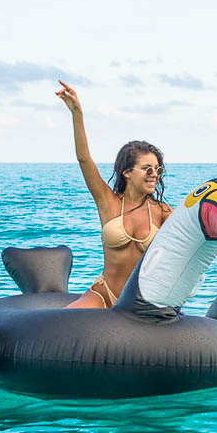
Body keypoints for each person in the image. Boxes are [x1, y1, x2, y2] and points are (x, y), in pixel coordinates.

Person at [56, 80, 173, 309]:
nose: (154, 175)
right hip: (104, 294)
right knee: (65, 321)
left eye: (158, 169)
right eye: (147, 169)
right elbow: (84, 159)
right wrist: (77, 113)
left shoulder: (163, 212)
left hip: (142, 302)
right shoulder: (107, 201)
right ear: (127, 172)